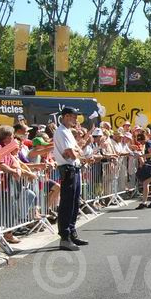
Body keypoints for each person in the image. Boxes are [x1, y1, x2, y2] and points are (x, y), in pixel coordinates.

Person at [53, 107, 87, 251]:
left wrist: (77, 152)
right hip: (68, 169)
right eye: (74, 116)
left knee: (74, 203)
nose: (76, 119)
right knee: (67, 204)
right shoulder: (61, 131)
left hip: (74, 168)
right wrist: (78, 153)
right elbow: (71, 153)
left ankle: (72, 232)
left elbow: (76, 150)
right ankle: (65, 237)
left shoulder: (67, 132)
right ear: (66, 116)